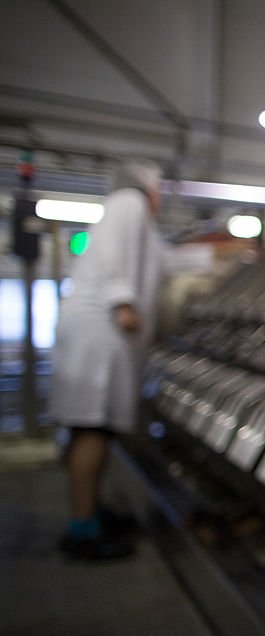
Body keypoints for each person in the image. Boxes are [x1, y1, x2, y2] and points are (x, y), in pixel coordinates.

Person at [51, 158, 164, 560]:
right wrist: (123, 302)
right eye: (159, 189)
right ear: (148, 187)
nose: (161, 197)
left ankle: (92, 512)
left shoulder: (142, 223)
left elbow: (164, 264)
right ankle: (83, 530)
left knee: (95, 431)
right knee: (92, 429)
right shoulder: (128, 203)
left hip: (103, 337)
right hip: (101, 332)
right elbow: (118, 259)